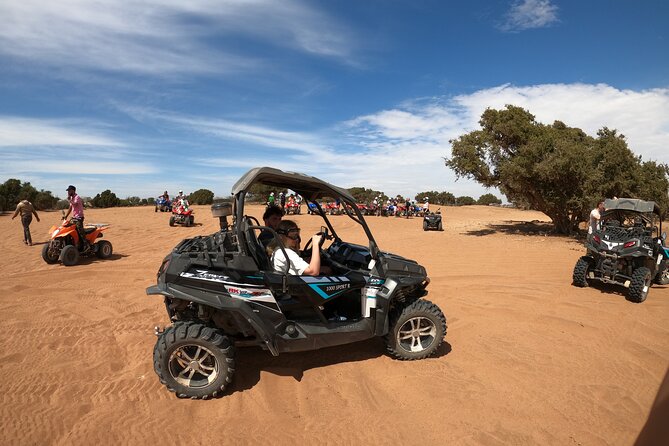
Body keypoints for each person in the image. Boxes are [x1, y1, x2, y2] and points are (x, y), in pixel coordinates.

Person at [63, 185, 89, 251]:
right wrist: (66, 216)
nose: (68, 192)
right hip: (74, 218)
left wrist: (69, 200)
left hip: (79, 218)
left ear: (73, 191)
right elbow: (70, 207)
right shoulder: (72, 198)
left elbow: (75, 204)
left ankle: (86, 244)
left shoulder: (77, 197)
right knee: (67, 228)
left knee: (80, 230)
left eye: (69, 191)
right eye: (68, 191)